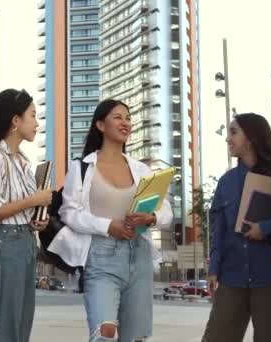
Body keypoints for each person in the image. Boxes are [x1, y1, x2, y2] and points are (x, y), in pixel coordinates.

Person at [49, 99, 173, 342]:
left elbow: (165, 209)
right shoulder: (82, 167)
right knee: (105, 333)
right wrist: (108, 226)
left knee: (135, 337)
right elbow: (68, 213)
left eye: (127, 118)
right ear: (100, 125)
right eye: (117, 117)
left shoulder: (141, 170)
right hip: (101, 256)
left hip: (139, 256)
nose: (125, 122)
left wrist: (151, 217)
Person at [0, 88, 52, 342]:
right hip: (5, 243)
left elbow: (18, 208)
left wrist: (37, 218)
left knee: (21, 322)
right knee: (5, 323)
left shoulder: (22, 162)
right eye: (32, 116)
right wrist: (34, 199)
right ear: (15, 121)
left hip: (24, 242)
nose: (37, 123)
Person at [202, 113, 271, 342]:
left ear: (251, 138)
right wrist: (214, 268)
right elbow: (218, 230)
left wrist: (266, 228)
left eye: (234, 132)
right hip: (232, 279)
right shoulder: (226, 182)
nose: (227, 139)